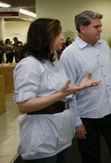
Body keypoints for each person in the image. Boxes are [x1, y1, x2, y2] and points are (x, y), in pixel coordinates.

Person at [13, 18, 101, 162]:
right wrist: (61, 95)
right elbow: (24, 105)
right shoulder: (29, 65)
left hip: (61, 133)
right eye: (58, 34)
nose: (62, 38)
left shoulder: (54, 63)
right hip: (42, 136)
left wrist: (76, 88)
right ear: (44, 37)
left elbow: (62, 92)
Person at [59, 11, 111, 163]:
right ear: (82, 28)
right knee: (91, 157)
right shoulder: (69, 54)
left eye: (100, 26)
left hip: (110, 110)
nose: (100, 30)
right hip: (87, 116)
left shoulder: (103, 45)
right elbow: (68, 92)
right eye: (96, 26)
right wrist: (77, 121)